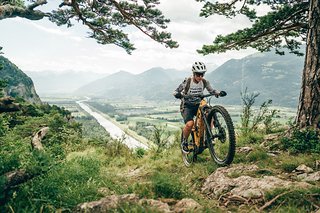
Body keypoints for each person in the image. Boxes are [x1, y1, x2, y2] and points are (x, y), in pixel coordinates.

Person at [173, 61, 225, 152]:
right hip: (187, 106)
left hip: (198, 105)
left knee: (210, 114)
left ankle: (208, 138)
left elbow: (212, 91)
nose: (200, 77)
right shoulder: (188, 81)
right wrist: (178, 94)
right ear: (194, 73)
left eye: (202, 74)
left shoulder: (204, 82)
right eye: (198, 74)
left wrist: (219, 93)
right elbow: (176, 91)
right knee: (190, 124)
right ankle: (184, 141)